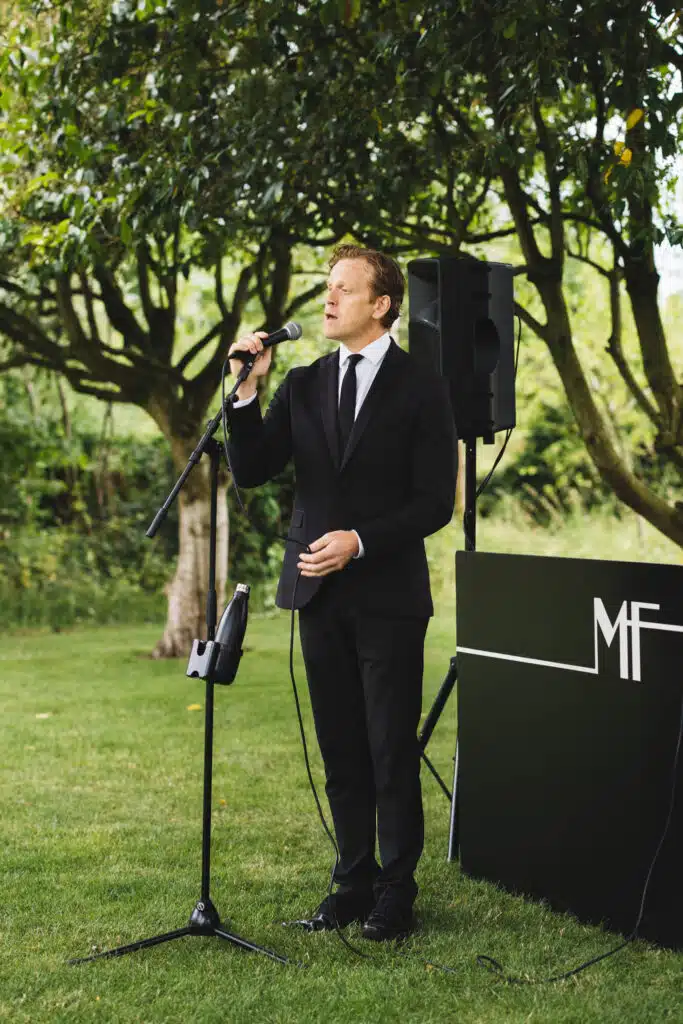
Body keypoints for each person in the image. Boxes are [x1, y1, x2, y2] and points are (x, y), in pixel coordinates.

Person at [227, 244, 457, 941]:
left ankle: (396, 891)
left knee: (389, 746)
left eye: (343, 290)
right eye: (326, 288)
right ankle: (350, 882)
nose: (327, 301)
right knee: (340, 750)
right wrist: (246, 391)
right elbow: (253, 469)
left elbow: (432, 504)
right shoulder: (302, 385)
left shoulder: (422, 385)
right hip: (316, 596)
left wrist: (359, 539)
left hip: (387, 592)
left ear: (381, 304)